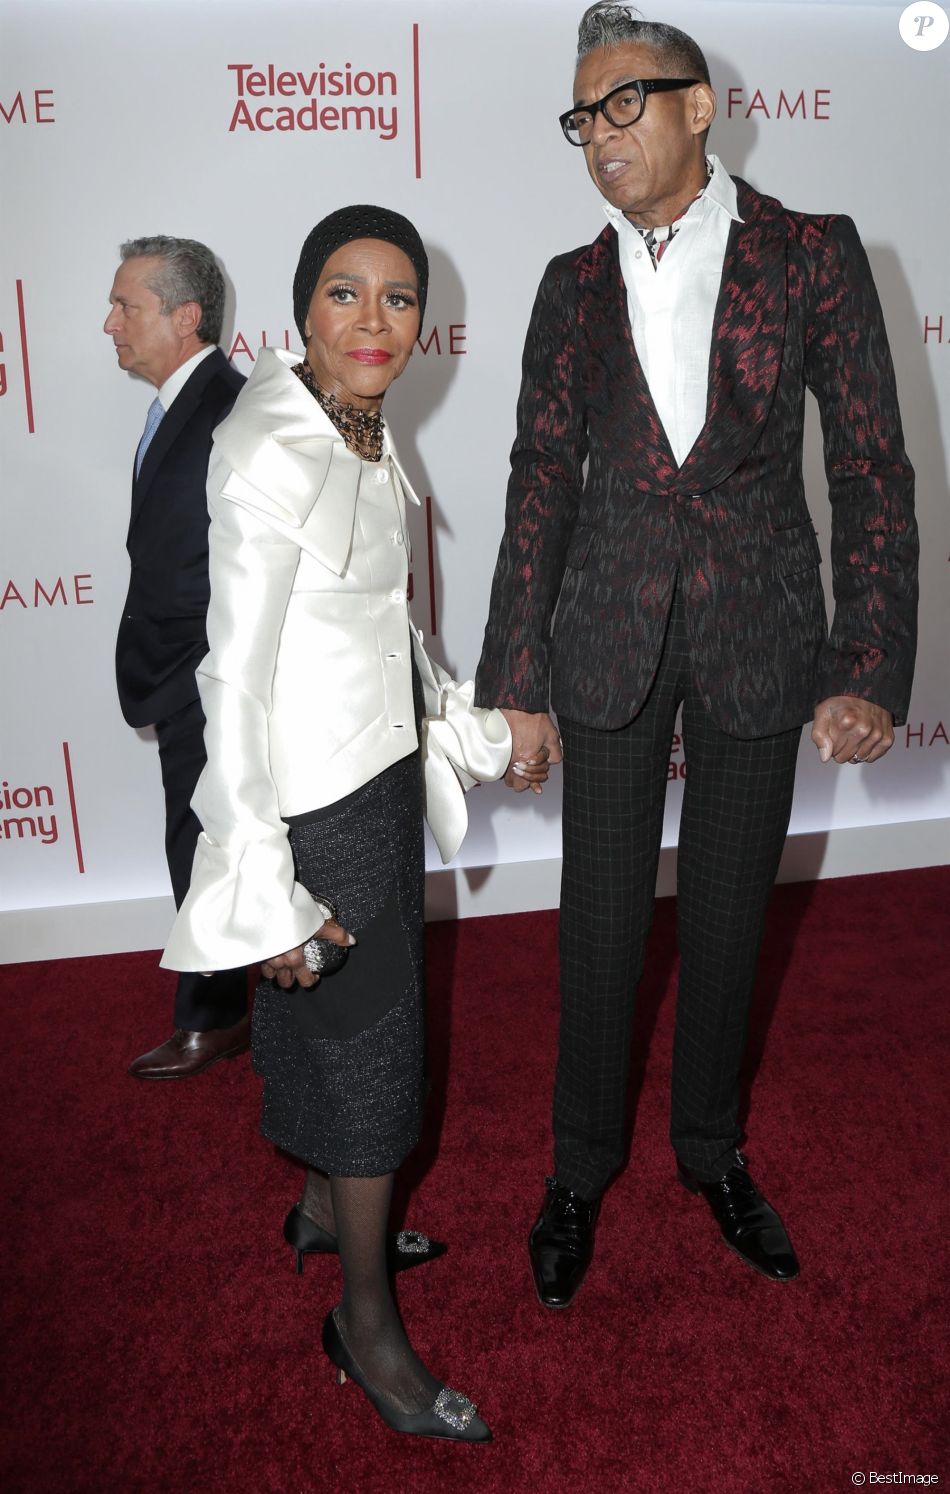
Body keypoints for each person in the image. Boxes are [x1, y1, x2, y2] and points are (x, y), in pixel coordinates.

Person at [475, 2, 918, 1308]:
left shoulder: (811, 254)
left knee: (727, 924)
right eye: (580, 118)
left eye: (622, 105)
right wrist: (514, 681)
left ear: (696, 104)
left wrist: (868, 661)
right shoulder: (569, 284)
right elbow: (538, 479)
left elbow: (868, 465)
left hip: (758, 628)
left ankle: (712, 1151)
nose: (598, 136)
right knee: (598, 928)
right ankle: (575, 1168)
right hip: (602, 632)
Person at [162, 206, 544, 1441]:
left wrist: (475, 733)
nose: (373, 322)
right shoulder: (272, 447)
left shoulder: (367, 434)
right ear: (298, 314)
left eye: (397, 298)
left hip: (374, 792)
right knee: (379, 1074)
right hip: (310, 812)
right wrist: (261, 883)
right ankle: (364, 1328)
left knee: (336, 1044)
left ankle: (327, 1212)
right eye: (345, 294)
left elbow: (385, 632)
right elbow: (232, 679)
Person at [105, 237, 250, 1079]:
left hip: (209, 675)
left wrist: (207, 671)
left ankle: (214, 1013)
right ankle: (221, 1002)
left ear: (185, 317)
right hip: (184, 672)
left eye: (127, 306)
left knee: (205, 842)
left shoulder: (229, 409)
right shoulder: (179, 405)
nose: (109, 323)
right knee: (198, 838)